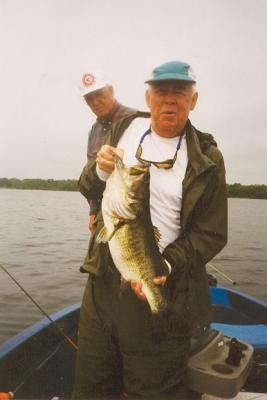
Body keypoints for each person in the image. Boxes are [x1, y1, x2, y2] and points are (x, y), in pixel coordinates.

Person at [73, 61, 228, 399]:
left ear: (194, 99)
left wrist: (166, 265)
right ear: (148, 96)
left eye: (180, 92)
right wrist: (98, 171)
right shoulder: (125, 127)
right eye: (161, 92)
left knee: (153, 391)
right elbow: (87, 186)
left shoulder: (207, 156)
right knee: (91, 387)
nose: (169, 100)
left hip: (163, 287)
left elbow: (211, 233)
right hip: (102, 287)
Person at [80, 71, 136, 232]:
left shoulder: (135, 119)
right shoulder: (94, 130)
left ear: (111, 90)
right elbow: (91, 177)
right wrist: (93, 211)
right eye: (89, 98)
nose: (95, 102)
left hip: (132, 212)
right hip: (104, 212)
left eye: (99, 94)